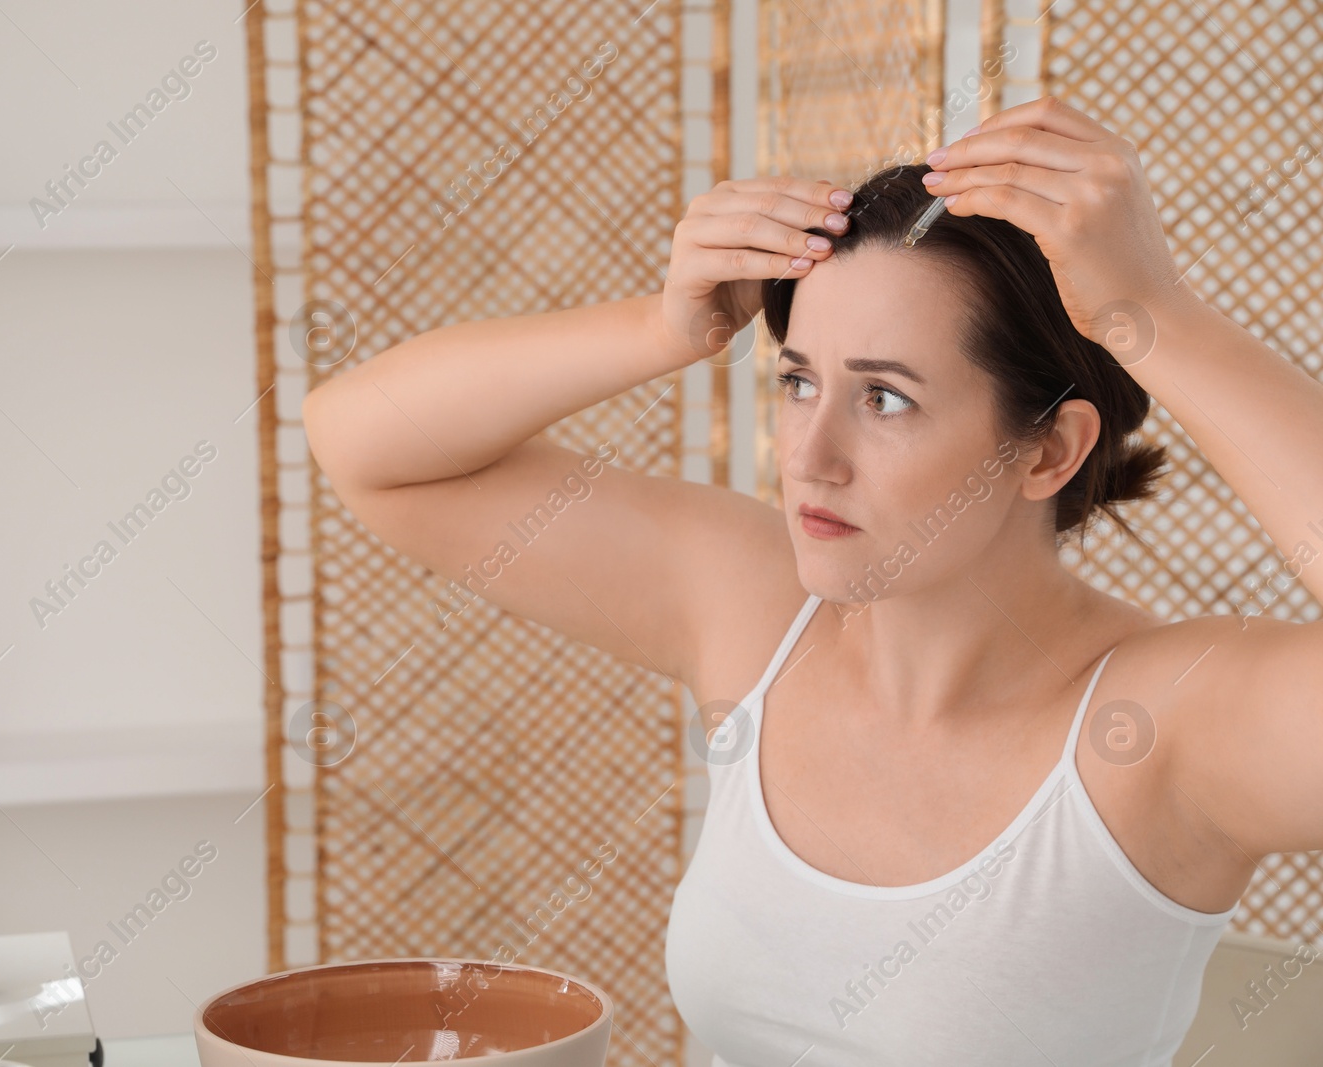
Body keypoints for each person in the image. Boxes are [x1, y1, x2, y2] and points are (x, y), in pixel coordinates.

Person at [301, 96, 1323, 1064]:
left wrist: (1155, 316)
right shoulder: (758, 617)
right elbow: (365, 445)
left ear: (1048, 449)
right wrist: (663, 330)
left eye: (883, 397)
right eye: (798, 380)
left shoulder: (1167, 724)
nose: (809, 454)